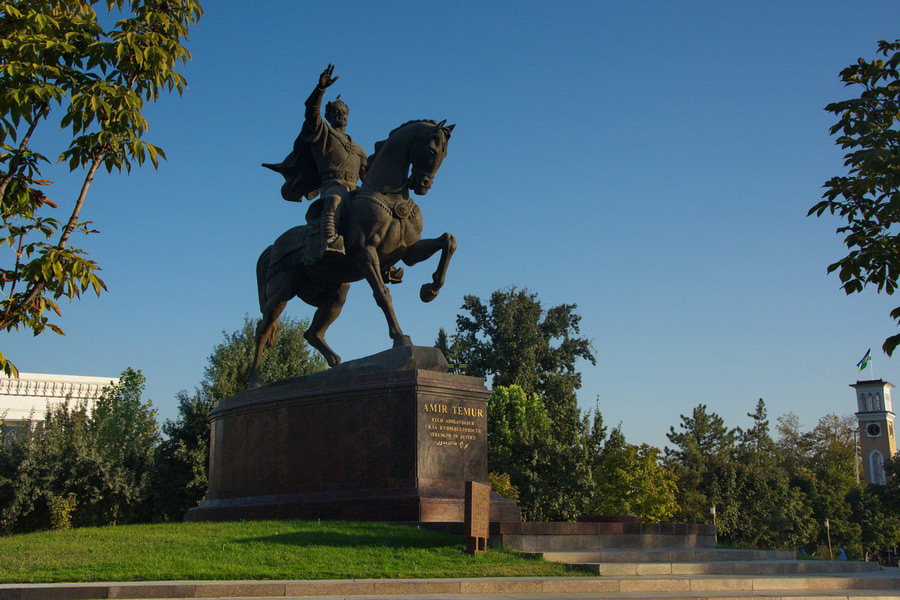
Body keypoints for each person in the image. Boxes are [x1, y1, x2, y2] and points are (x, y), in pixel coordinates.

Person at [263, 64, 367, 256]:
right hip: (333, 185)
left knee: (376, 209)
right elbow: (311, 113)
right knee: (335, 200)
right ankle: (328, 239)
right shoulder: (323, 133)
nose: (341, 114)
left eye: (344, 112)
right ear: (328, 115)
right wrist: (320, 90)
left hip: (355, 191)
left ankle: (385, 257)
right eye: (336, 111)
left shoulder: (359, 149)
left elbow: (368, 177)